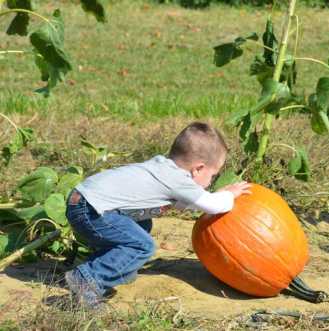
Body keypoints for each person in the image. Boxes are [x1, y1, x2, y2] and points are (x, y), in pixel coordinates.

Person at [64, 122, 251, 308]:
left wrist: (214, 195)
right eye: (213, 176)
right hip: (91, 209)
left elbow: (188, 202)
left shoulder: (165, 168)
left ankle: (103, 265)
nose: (212, 182)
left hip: (84, 201)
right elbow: (212, 205)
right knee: (142, 245)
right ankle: (87, 279)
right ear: (198, 169)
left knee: (142, 226)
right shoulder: (177, 180)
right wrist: (229, 194)